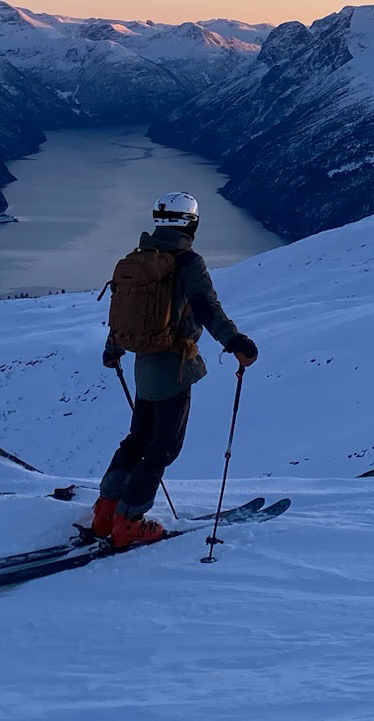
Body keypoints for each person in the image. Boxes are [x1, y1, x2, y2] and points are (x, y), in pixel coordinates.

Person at [91, 191, 259, 548]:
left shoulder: (140, 259)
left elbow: (126, 314)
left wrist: (112, 348)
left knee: (136, 440)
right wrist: (237, 344)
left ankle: (105, 512)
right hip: (174, 369)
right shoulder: (187, 263)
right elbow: (206, 310)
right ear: (192, 223)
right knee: (162, 448)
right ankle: (129, 521)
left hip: (143, 365)